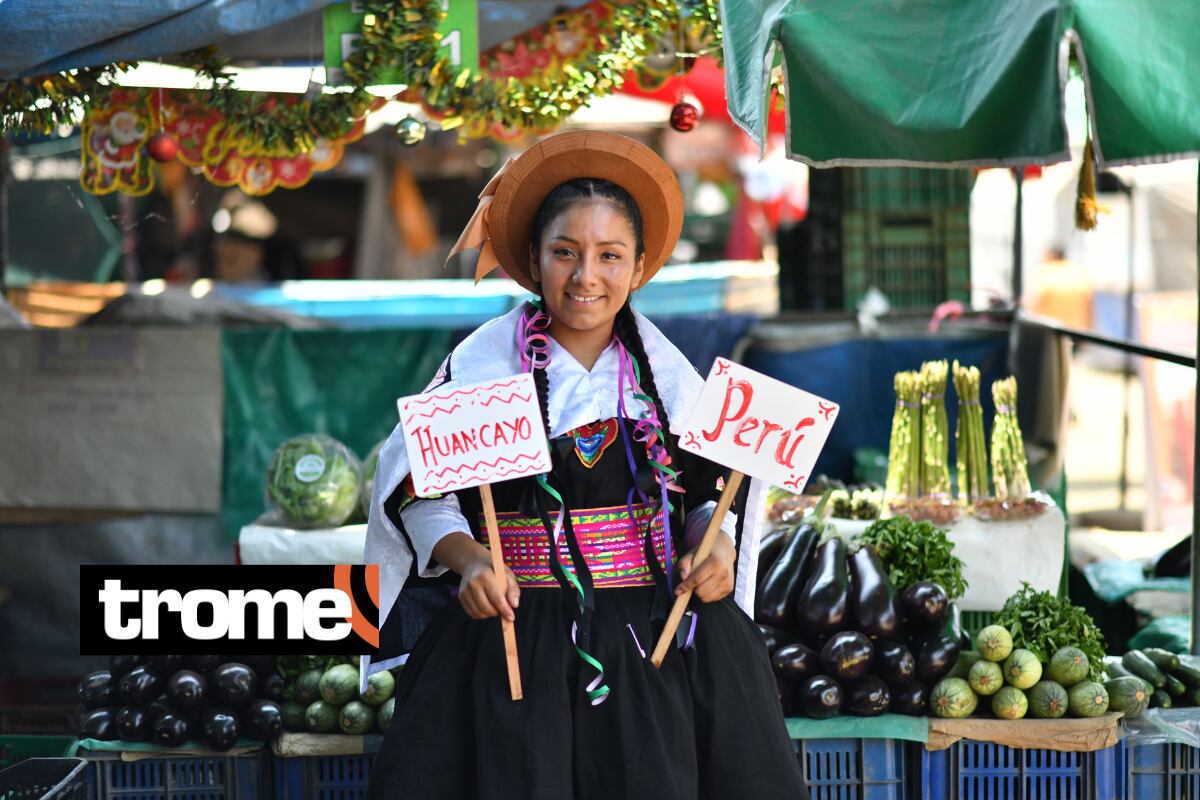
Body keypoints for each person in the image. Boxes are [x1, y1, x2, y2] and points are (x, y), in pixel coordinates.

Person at [364, 131, 808, 800]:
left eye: (609, 255)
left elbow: (710, 496)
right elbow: (419, 494)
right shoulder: (481, 368)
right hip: (512, 636)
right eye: (564, 253)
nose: (585, 276)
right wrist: (470, 561)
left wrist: (711, 542)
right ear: (533, 261)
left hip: (661, 639)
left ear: (638, 266)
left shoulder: (669, 380)